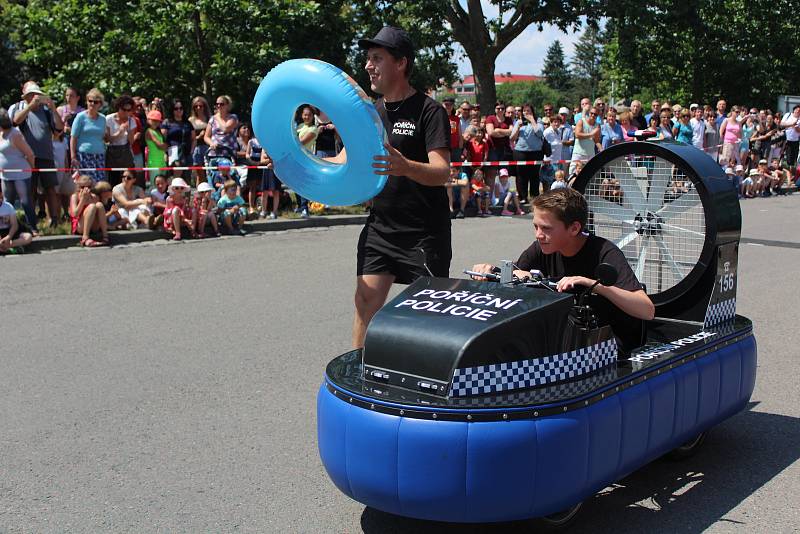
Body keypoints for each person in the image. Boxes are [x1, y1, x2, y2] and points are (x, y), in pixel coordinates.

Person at [337, 26, 450, 349]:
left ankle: (426, 388)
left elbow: (442, 171)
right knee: (365, 303)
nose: (368, 66)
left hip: (424, 232)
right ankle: (358, 379)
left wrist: (405, 166)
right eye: (367, 59)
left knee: (429, 318)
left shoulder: (430, 111)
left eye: (377, 58)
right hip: (381, 229)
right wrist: (293, 163)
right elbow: (343, 159)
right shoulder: (370, 113)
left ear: (401, 63)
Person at [470, 188, 655, 351]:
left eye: (546, 228)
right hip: (565, 340)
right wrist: (492, 272)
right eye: (535, 226)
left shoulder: (604, 252)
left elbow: (646, 310)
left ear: (574, 228)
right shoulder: (541, 247)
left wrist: (591, 284)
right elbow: (517, 275)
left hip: (608, 347)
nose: (538, 235)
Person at [10, 81, 65, 227]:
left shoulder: (46, 111)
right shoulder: (17, 107)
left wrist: (53, 109)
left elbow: (59, 129)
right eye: (31, 95)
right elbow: (14, 122)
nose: (35, 97)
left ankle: (54, 220)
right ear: (25, 96)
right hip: (25, 157)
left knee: (50, 188)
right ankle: (31, 222)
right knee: (30, 190)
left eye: (37, 95)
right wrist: (29, 107)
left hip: (46, 156)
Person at [0, 107, 37, 231]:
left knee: (25, 200)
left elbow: (30, 153)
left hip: (20, 174)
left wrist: (32, 168)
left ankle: (32, 227)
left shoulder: (15, 134)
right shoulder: (1, 133)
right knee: (7, 202)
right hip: (5, 175)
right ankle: (7, 228)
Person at [510, 103, 545, 203]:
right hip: (520, 152)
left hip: (535, 152)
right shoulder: (519, 122)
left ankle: (534, 197)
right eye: (524, 111)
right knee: (521, 175)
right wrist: (517, 127)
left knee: (534, 175)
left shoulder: (538, 121)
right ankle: (523, 197)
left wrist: (532, 121)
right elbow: (512, 138)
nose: (526, 113)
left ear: (532, 112)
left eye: (528, 111)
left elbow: (540, 133)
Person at [70, 88, 107, 184]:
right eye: (90, 101)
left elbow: (103, 137)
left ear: (100, 104)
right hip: (84, 155)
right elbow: (73, 137)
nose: (92, 104)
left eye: (95, 102)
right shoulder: (80, 117)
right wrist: (73, 156)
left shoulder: (103, 118)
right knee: (86, 183)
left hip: (99, 155)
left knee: (99, 183)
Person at [104, 95, 136, 186]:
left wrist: (129, 130)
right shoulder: (108, 119)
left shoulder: (131, 121)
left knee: (126, 180)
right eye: (124, 109)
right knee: (112, 180)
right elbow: (107, 140)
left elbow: (131, 141)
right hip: (112, 153)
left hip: (125, 154)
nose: (126, 112)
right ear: (118, 107)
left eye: (129, 110)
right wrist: (120, 132)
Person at [69, 174, 109, 246]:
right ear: (78, 187)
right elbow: (75, 214)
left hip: (93, 226)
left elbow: (101, 211)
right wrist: (82, 200)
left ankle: (105, 236)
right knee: (92, 206)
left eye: (88, 187)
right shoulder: (74, 196)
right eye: (83, 187)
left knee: (99, 205)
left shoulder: (94, 196)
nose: (86, 189)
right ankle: (85, 238)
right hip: (79, 227)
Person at [162, 99, 195, 181]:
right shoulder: (167, 122)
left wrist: (191, 151)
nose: (179, 110)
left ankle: (187, 194)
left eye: (181, 108)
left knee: (187, 179)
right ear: (172, 110)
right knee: (175, 179)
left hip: (186, 154)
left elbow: (194, 138)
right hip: (173, 153)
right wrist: (165, 153)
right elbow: (163, 139)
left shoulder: (187, 123)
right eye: (176, 109)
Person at [294, 104, 318, 218]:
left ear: (313, 116)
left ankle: (305, 208)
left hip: (305, 159)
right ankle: (299, 206)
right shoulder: (300, 126)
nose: (306, 117)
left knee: (303, 185)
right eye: (304, 115)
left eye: (309, 115)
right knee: (295, 183)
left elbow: (301, 142)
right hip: (295, 158)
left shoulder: (313, 129)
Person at [0, 185, 33, 254]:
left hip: (9, 232)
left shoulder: (8, 206)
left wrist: (8, 237)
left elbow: (14, 225)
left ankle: (7, 247)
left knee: (28, 237)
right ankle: (11, 249)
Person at [189, 96, 212, 187]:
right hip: (196, 148)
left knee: (209, 173)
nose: (198, 108)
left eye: (201, 106)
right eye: (196, 106)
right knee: (199, 174)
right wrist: (199, 136)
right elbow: (190, 138)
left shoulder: (210, 118)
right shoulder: (191, 120)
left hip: (208, 148)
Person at [571, 106, 600, 174]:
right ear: (588, 113)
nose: (593, 115)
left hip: (590, 155)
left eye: (595, 114)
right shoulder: (581, 121)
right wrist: (591, 134)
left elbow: (596, 141)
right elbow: (577, 135)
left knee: (589, 175)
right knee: (573, 174)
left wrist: (602, 150)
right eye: (591, 113)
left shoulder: (597, 126)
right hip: (579, 154)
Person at [145, 110, 167, 185]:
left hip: (161, 161)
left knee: (163, 183)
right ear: (148, 120)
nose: (156, 122)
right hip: (153, 161)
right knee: (155, 184)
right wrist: (167, 146)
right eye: (153, 120)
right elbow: (159, 145)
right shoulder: (149, 131)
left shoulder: (158, 132)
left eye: (158, 121)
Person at [259, 148, 281, 219]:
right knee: (264, 191)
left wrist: (270, 159)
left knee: (276, 191)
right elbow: (262, 160)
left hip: (276, 171)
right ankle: (263, 211)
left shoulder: (277, 147)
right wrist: (271, 160)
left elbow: (280, 158)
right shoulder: (264, 148)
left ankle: (274, 212)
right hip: (266, 171)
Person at [779, 105, 800, 170]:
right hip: (785, 139)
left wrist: (797, 129)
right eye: (798, 110)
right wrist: (792, 124)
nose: (798, 112)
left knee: (793, 158)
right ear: (794, 110)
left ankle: (791, 174)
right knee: (782, 156)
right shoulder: (788, 115)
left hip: (795, 141)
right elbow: (781, 124)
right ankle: (780, 170)